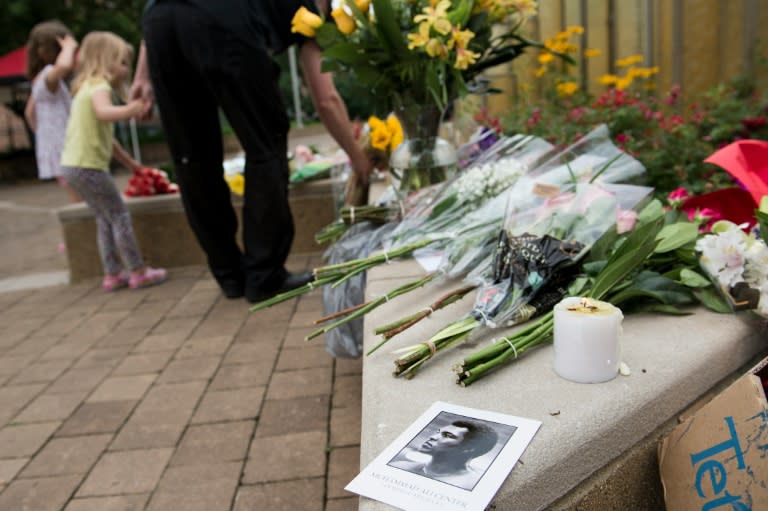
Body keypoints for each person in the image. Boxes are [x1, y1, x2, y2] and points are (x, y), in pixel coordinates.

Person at [130, 0, 374, 302]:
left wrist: (142, 74)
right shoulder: (322, 10)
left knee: (191, 156)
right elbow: (325, 99)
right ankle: (265, 275)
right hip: (223, 20)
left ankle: (229, 274)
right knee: (266, 143)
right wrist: (358, 156)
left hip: (159, 21)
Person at [60, 31, 167, 292]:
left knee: (104, 218)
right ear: (104, 59)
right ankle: (138, 271)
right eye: (122, 62)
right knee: (119, 215)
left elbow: (106, 138)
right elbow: (105, 113)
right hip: (89, 167)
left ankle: (112, 273)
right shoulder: (99, 86)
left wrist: (129, 162)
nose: (126, 69)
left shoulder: (84, 87)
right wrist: (131, 110)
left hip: (72, 166)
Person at [24, 21, 146, 204]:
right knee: (82, 204)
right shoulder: (49, 76)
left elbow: (29, 113)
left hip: (63, 149)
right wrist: (69, 45)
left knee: (85, 202)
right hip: (68, 152)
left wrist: (44, 137)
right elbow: (63, 66)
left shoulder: (43, 85)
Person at [389, 419, 499, 490]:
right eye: (438, 432)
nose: (433, 437)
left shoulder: (473, 485)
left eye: (447, 435)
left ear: (469, 448)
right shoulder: (400, 466)